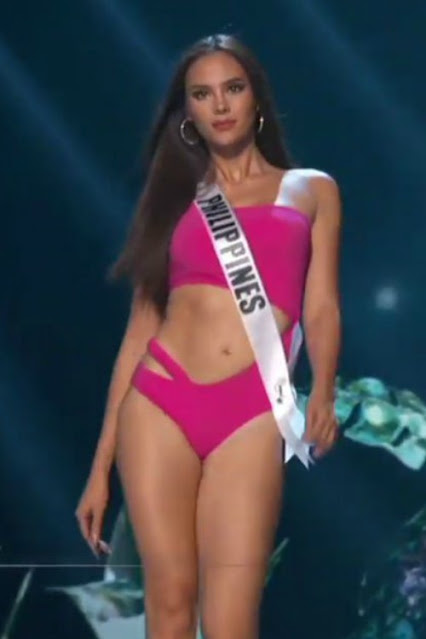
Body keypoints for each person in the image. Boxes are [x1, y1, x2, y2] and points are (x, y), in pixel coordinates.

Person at [75, 33, 342, 639]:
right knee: (169, 607)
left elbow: (322, 305)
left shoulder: (312, 189)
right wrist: (100, 466)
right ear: (188, 113)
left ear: (256, 99)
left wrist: (324, 389)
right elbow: (140, 330)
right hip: (160, 400)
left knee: (230, 622)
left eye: (233, 88)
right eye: (202, 94)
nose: (219, 105)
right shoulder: (176, 197)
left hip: (252, 410)